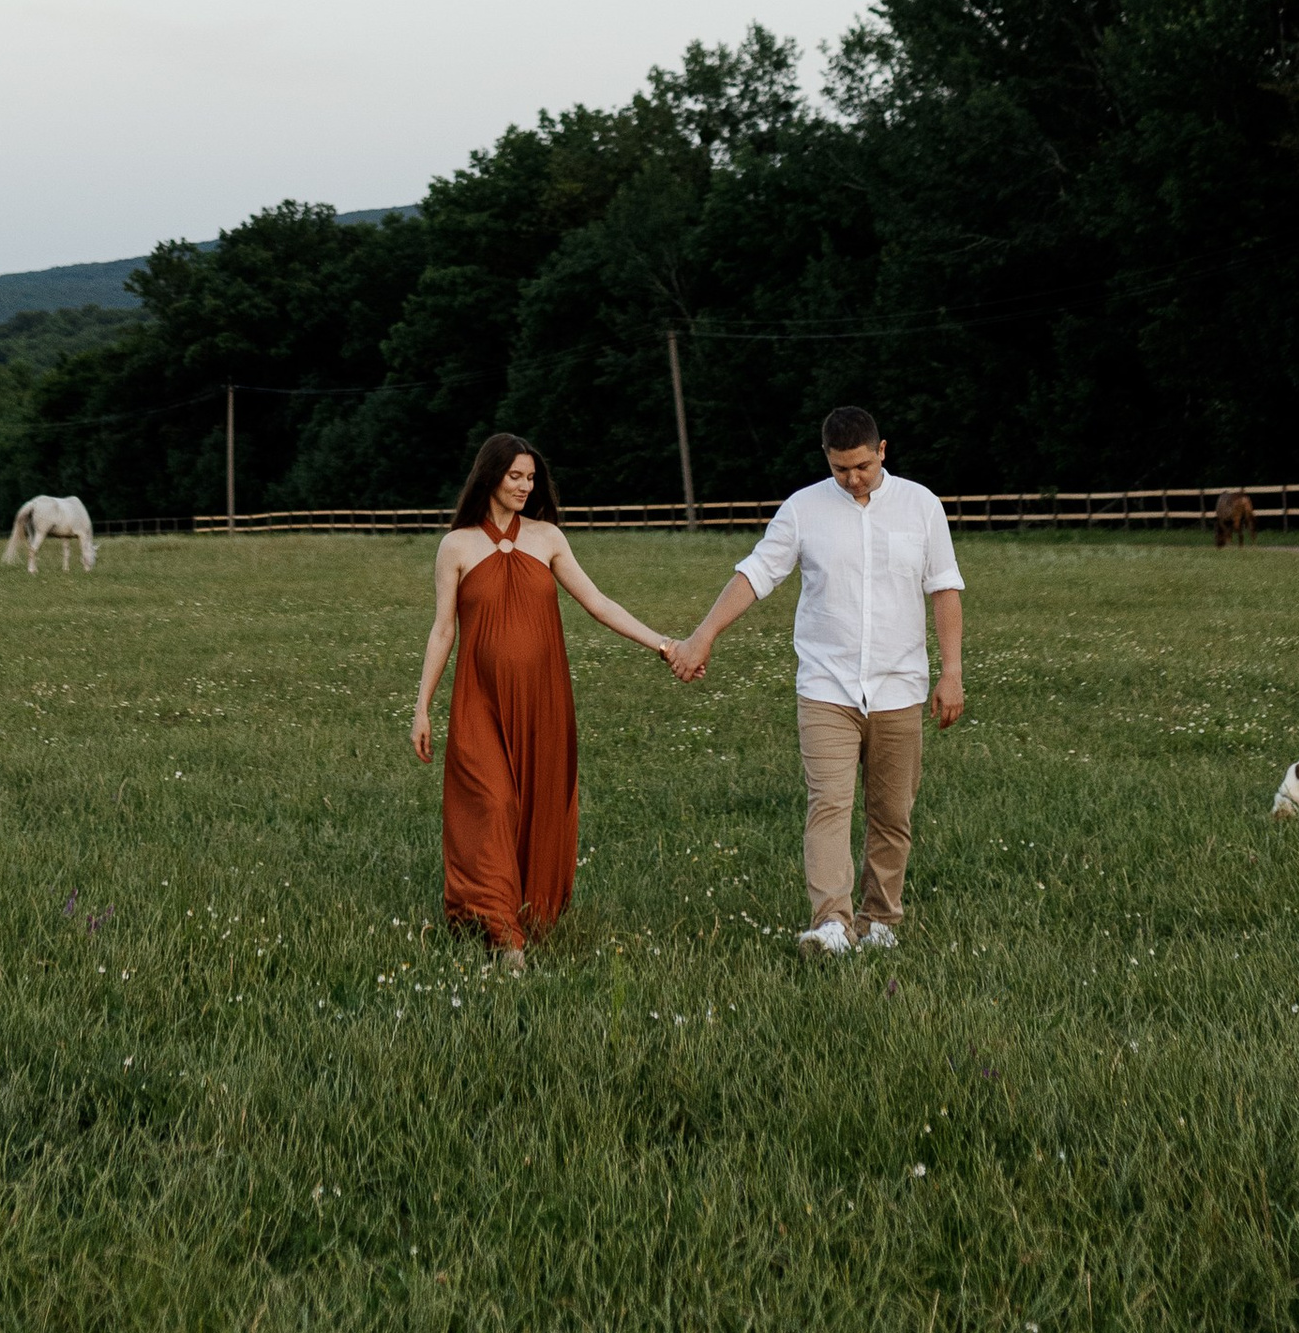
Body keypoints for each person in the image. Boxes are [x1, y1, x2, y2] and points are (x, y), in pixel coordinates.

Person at [668, 404, 964, 953]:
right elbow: (756, 573)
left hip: (900, 688)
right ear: (826, 459)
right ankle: (831, 922)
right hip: (826, 687)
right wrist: (704, 634)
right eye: (839, 469)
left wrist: (952, 672)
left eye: (861, 467)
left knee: (891, 814)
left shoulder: (921, 506)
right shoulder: (803, 509)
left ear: (882, 451)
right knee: (828, 804)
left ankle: (880, 922)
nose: (852, 479)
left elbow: (944, 587)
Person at [411, 432, 673, 964]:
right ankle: (505, 938)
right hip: (479, 702)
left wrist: (665, 644)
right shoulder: (456, 545)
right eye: (515, 477)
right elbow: (442, 631)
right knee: (491, 804)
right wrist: (422, 707)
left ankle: (519, 911)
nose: (525, 486)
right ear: (490, 476)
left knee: (535, 806)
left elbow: (598, 603)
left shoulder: (548, 537)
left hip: (543, 703)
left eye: (531, 478)